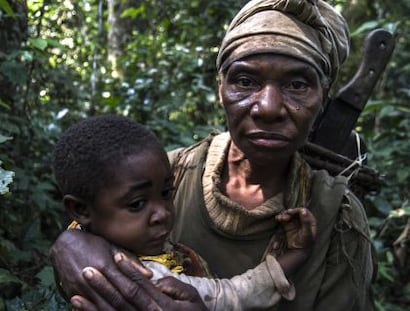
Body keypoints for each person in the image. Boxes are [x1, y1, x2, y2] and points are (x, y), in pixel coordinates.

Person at [50, 0, 375, 310]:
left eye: (298, 85)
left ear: (322, 99)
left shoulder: (337, 217)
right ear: (220, 88)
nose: (269, 108)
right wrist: (70, 244)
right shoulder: (166, 174)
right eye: (245, 81)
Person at [52, 114, 317, 310]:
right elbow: (232, 296)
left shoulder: (88, 246)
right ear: (80, 210)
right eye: (137, 204)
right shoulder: (148, 278)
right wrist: (295, 255)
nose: (162, 213)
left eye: (166, 193)